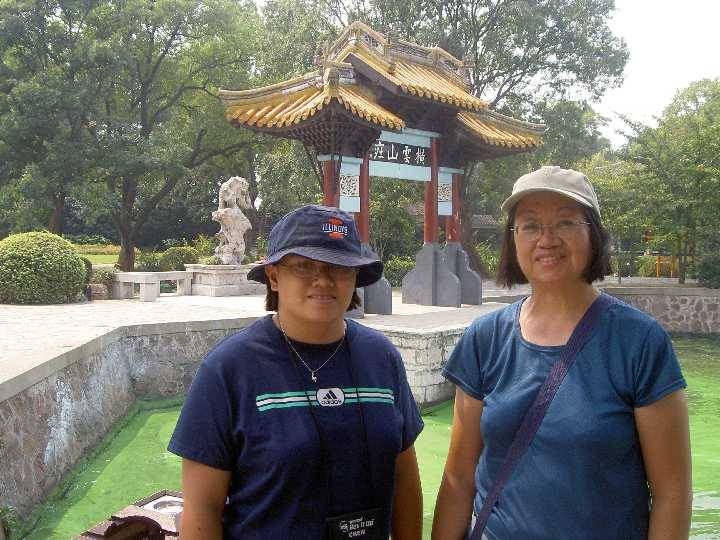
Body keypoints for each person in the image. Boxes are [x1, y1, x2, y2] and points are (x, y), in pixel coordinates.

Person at [432, 166, 692, 540]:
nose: (547, 239)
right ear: (513, 238)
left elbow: (672, 494)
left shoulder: (638, 342)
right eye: (530, 225)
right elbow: (458, 478)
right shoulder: (485, 338)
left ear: (594, 235)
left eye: (566, 223)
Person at [168, 204, 423, 540]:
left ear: (355, 277)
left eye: (339, 268)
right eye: (304, 266)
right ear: (274, 276)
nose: (324, 280)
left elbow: (404, 480)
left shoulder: (381, 357)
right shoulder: (229, 368)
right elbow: (202, 508)